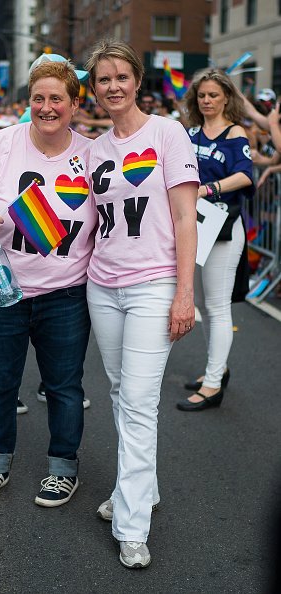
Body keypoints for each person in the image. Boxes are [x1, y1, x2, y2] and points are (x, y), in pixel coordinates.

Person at [0, 56, 97, 507]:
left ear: (73, 103)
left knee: (65, 386)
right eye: (38, 99)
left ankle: (63, 469)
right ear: (29, 102)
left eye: (56, 99)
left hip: (65, 293)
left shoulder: (92, 154)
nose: (47, 107)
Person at [85, 40, 199, 569]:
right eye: (102, 80)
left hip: (154, 285)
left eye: (120, 77)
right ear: (94, 89)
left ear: (137, 81)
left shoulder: (167, 133)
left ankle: (132, 525)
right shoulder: (94, 150)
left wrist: (184, 293)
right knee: (119, 392)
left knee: (137, 402)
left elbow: (183, 218)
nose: (112, 86)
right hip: (102, 285)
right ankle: (139, 489)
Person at [177, 68, 254, 411]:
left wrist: (209, 188)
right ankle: (216, 370)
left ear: (226, 97)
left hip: (224, 226)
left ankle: (212, 385)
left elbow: (245, 175)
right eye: (202, 95)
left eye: (213, 95)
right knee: (207, 305)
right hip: (196, 227)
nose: (206, 101)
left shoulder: (235, 132)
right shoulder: (189, 133)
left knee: (218, 305)